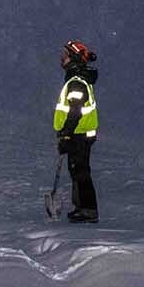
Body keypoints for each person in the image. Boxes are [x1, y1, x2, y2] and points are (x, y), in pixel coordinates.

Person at [53, 39, 100, 223]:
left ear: (73, 58)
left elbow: (75, 110)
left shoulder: (76, 83)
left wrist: (66, 133)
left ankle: (88, 210)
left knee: (80, 171)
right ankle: (81, 207)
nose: (61, 60)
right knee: (77, 170)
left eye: (64, 56)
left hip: (78, 135)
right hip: (79, 134)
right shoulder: (77, 80)